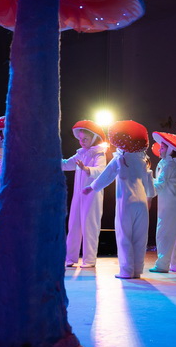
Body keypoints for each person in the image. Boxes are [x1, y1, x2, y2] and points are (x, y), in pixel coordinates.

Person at [83, 120, 155, 279]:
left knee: (124, 236)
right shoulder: (143, 160)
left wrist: (91, 187)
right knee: (140, 237)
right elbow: (149, 181)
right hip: (142, 202)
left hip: (126, 201)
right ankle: (137, 270)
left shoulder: (120, 159)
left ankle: (126, 270)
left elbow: (107, 176)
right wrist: (149, 199)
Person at [62, 120, 109, 269]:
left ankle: (89, 259)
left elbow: (101, 171)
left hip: (92, 195)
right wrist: (50, 161)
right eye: (80, 139)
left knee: (90, 226)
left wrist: (87, 169)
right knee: (74, 225)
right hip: (78, 195)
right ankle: (70, 258)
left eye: (85, 139)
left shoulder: (99, 154)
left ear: (94, 138)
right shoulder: (81, 154)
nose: (81, 142)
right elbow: (66, 164)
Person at [149, 132, 176, 274]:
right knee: (174, 235)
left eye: (162, 147)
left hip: (168, 206)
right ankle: (175, 264)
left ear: (170, 150)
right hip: (174, 205)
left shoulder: (168, 165)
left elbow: (159, 186)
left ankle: (162, 265)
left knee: (164, 234)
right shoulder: (173, 164)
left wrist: (146, 180)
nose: (159, 149)